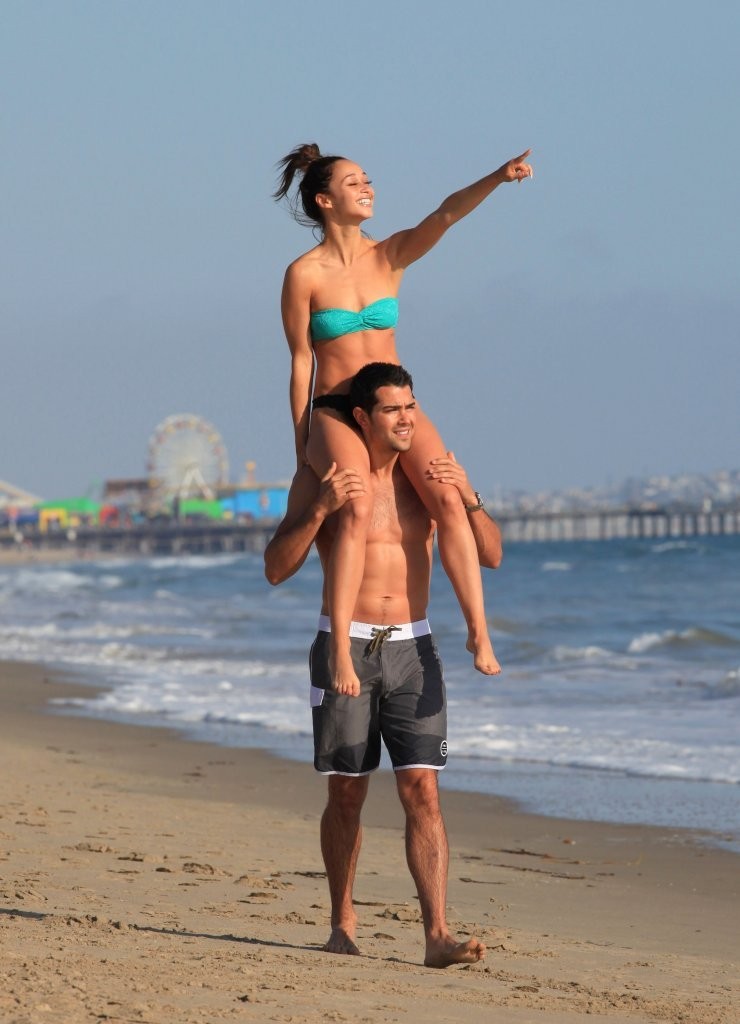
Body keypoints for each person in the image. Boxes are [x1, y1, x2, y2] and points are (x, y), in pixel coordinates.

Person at [264, 362, 503, 968]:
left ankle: (437, 935)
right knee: (346, 793)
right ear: (364, 419)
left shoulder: (427, 487)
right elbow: (274, 566)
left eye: (412, 407)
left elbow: (492, 555)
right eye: (393, 410)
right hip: (344, 646)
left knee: (422, 789)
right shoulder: (327, 478)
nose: (407, 420)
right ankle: (342, 922)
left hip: (414, 648)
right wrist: (318, 509)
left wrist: (470, 496)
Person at [274, 142, 531, 696]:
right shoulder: (304, 275)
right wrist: (302, 447)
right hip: (339, 410)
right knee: (358, 505)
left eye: (368, 179)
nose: (368, 188)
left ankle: (478, 633)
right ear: (324, 200)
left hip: (394, 404)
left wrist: (497, 176)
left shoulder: (389, 256)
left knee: (446, 494)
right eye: (353, 182)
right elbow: (301, 362)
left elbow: (445, 214)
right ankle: (341, 650)